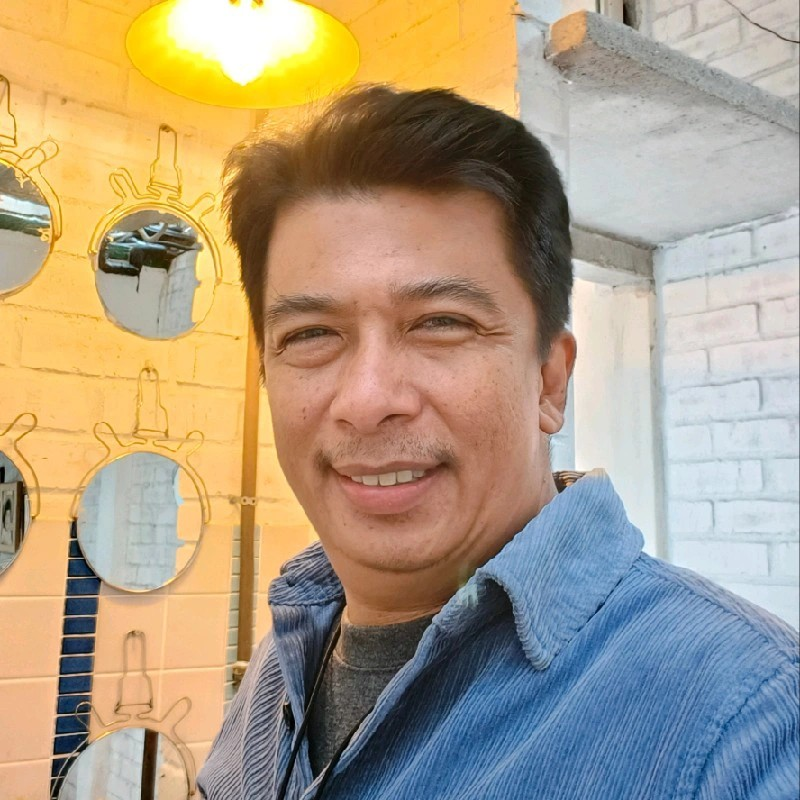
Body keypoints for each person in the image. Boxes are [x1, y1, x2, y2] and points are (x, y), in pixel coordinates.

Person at [197, 86, 799, 800]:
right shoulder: (283, 657)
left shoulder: (749, 720)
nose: (366, 400)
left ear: (549, 380)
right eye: (311, 334)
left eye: (441, 323)